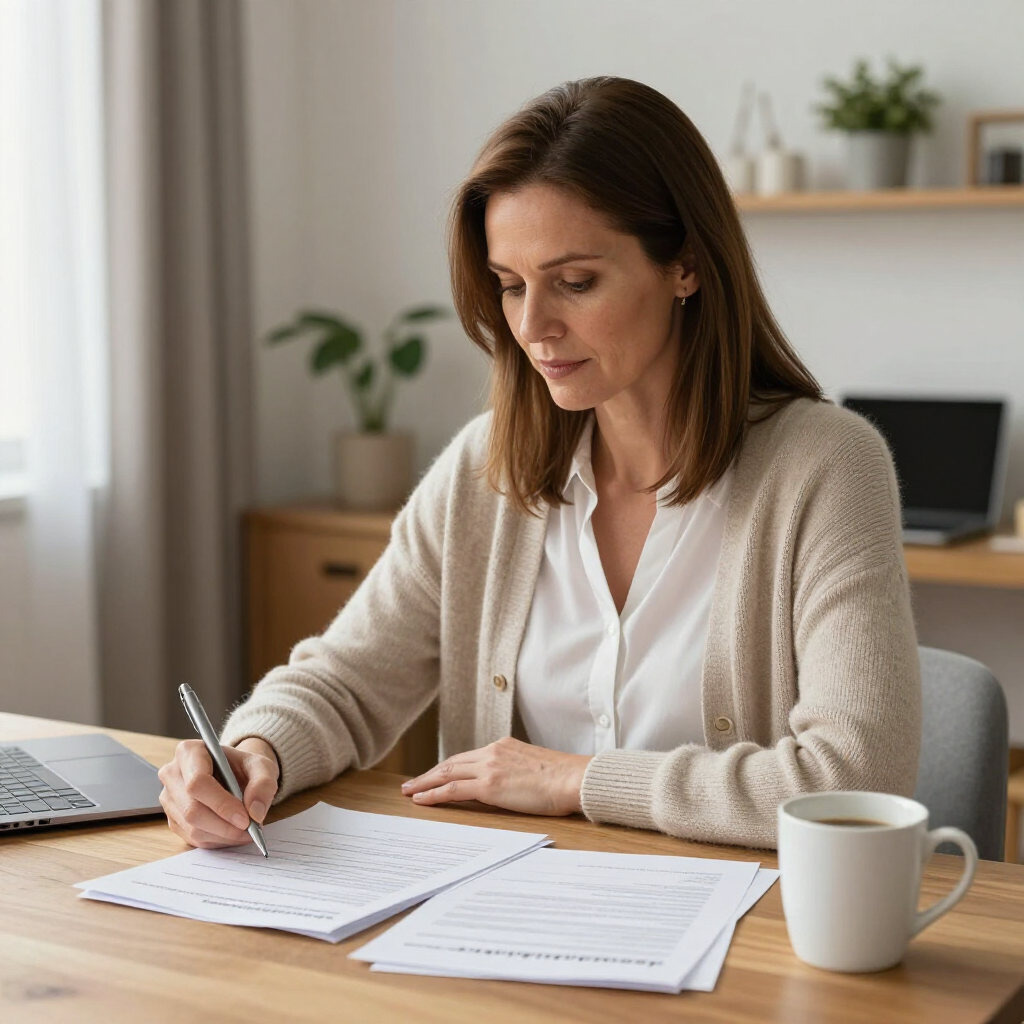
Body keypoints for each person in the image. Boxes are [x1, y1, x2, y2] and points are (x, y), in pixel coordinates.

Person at [158, 77, 920, 852]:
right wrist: (253, 753)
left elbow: (855, 777)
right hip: (518, 919)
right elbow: (348, 681)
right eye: (510, 286)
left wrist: (576, 780)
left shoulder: (826, 466)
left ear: (685, 265)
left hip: (750, 932)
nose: (532, 326)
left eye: (575, 283)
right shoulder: (485, 470)